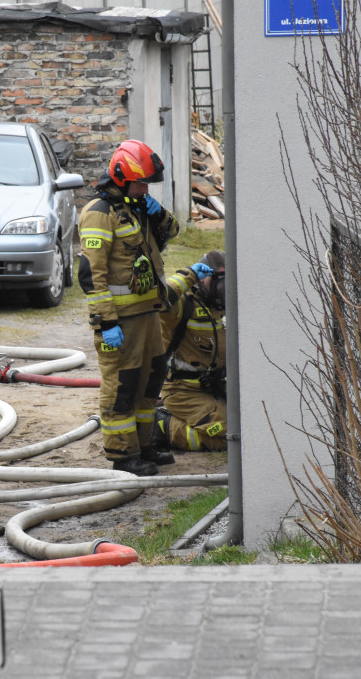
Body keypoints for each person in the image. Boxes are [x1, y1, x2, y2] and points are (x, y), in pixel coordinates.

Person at [77, 139, 179, 476]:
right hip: (119, 320)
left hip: (147, 314)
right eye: (141, 182)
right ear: (123, 178)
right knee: (122, 384)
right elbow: (92, 274)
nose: (145, 189)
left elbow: (172, 231)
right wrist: (106, 323)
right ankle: (122, 453)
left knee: (150, 381)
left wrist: (158, 213)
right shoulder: (98, 213)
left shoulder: (137, 207)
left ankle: (144, 445)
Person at [151, 250, 228, 455]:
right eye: (219, 280)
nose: (224, 289)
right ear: (204, 280)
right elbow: (161, 297)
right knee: (229, 434)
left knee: (248, 426)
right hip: (183, 392)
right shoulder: (184, 305)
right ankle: (161, 428)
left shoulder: (225, 308)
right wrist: (188, 274)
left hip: (215, 388)